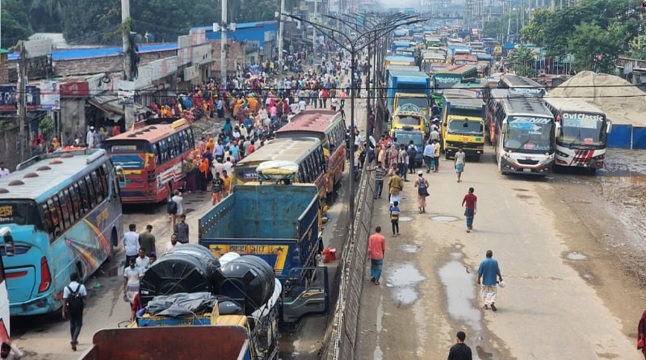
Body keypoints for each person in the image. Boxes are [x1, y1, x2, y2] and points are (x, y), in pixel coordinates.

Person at [62, 272, 87, 351]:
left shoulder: (66, 288)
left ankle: (73, 338)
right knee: (78, 324)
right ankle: (74, 340)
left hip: (70, 307)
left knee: (72, 324)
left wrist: (63, 311)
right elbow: (85, 297)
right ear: (77, 278)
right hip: (79, 307)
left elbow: (65, 300)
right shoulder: (81, 286)